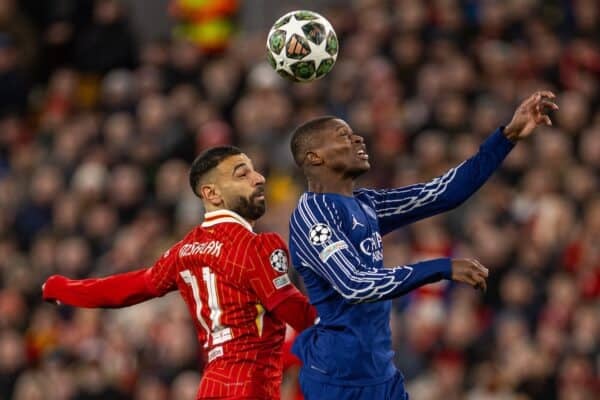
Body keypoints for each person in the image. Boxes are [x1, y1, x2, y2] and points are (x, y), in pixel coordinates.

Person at [287, 91, 558, 399]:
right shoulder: (313, 216)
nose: (359, 139)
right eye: (344, 136)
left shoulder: (365, 204)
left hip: (379, 373)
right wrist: (441, 268)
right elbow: (355, 284)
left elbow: (443, 193)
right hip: (338, 379)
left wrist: (507, 136)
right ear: (315, 158)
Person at [42, 146, 318, 400]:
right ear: (212, 193)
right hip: (251, 389)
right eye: (242, 174)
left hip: (211, 387)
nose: (259, 178)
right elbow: (295, 311)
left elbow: (125, 288)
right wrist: (353, 324)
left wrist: (63, 288)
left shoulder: (185, 251)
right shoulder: (258, 246)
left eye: (254, 170)